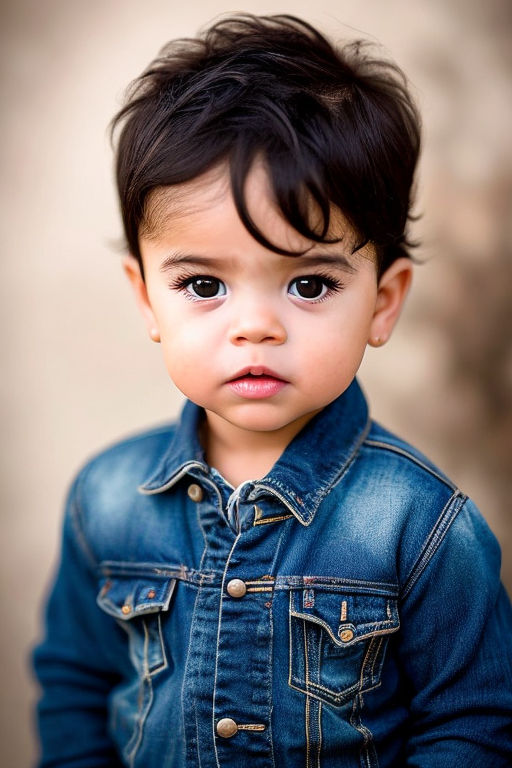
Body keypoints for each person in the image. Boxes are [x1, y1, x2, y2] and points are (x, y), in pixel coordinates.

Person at [32, 13, 512, 767]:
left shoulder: (422, 528)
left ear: (384, 302)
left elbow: (472, 728)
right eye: (203, 284)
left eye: (309, 283)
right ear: (145, 298)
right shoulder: (105, 501)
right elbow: (75, 689)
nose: (256, 326)